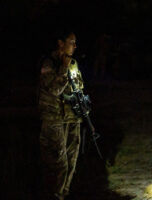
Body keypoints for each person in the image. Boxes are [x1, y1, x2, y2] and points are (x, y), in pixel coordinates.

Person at [38, 30, 84, 200]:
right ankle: (54, 194)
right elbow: (55, 90)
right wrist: (64, 67)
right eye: (71, 42)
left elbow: (79, 87)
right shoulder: (49, 63)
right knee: (59, 163)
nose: (75, 46)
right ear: (60, 43)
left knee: (72, 161)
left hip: (72, 118)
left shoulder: (73, 63)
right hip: (54, 119)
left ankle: (64, 193)